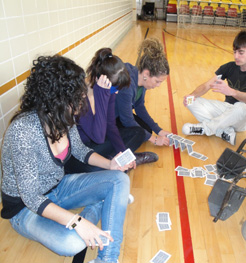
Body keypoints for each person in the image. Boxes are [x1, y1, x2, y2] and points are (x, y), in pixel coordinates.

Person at [1, 55, 132, 263]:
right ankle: (99, 206)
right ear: (59, 99)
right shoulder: (22, 132)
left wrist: (110, 164)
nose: (82, 101)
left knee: (120, 179)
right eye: (77, 97)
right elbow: (32, 198)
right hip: (25, 209)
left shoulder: (63, 117)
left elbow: (80, 150)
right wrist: (76, 221)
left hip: (58, 187)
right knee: (73, 243)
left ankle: (107, 258)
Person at [64, 48, 158, 174]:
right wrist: (101, 95)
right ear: (100, 79)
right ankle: (113, 163)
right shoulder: (80, 98)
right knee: (92, 169)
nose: (116, 92)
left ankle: (119, 160)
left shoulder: (109, 90)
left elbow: (110, 126)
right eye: (115, 89)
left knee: (139, 132)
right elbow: (99, 137)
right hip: (81, 151)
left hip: (96, 146)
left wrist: (123, 153)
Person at [182, 30, 246, 145]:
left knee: (241, 106)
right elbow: (207, 85)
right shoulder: (229, 67)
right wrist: (192, 95)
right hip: (226, 110)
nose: (236, 56)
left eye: (241, 52)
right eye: (234, 52)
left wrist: (232, 92)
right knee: (192, 101)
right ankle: (223, 131)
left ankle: (205, 128)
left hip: (243, 118)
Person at [115, 38, 171, 147]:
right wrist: (154, 140)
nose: (158, 85)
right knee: (139, 134)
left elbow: (139, 107)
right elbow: (127, 120)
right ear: (146, 74)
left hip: (121, 114)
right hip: (110, 119)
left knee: (147, 130)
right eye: (157, 81)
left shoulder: (141, 80)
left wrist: (158, 130)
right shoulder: (127, 85)